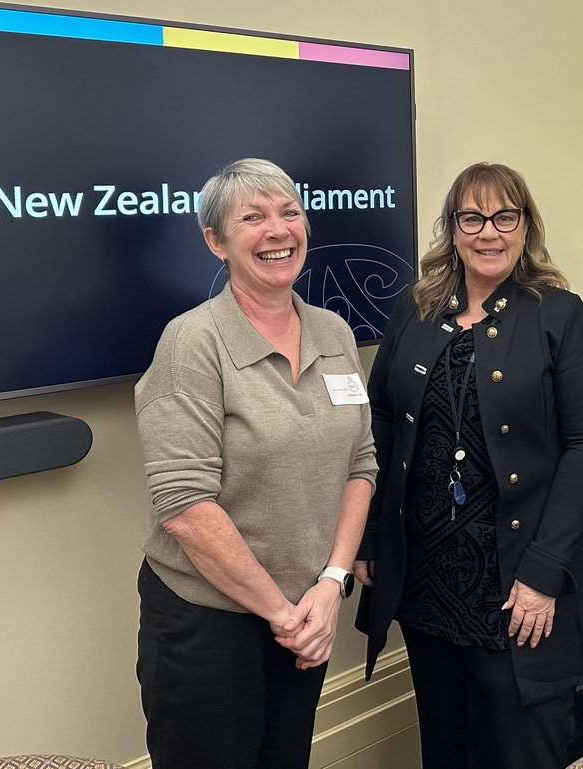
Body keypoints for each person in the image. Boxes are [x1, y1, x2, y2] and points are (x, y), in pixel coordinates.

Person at [355, 162, 583, 769]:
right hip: (426, 578)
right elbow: (382, 421)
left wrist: (544, 574)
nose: (489, 232)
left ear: (526, 226)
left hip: (516, 579)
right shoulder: (416, 309)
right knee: (445, 743)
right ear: (452, 229)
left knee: (520, 746)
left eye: (504, 217)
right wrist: (371, 535)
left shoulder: (559, 314)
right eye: (472, 218)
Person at [133, 158, 377, 769]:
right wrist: (283, 616)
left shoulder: (334, 332)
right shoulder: (192, 342)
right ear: (216, 242)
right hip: (210, 623)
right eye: (253, 218)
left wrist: (331, 584)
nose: (278, 230)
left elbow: (361, 463)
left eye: (290, 212)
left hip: (308, 610)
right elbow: (185, 508)